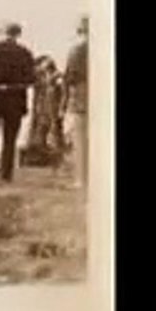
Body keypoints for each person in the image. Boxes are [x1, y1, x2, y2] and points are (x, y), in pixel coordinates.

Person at [0, 21, 35, 183]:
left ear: (2, 33)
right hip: (15, 99)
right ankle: (6, 174)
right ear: (17, 34)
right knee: (10, 139)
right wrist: (12, 86)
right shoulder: (25, 53)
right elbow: (31, 79)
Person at [65, 14, 89, 187]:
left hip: (81, 98)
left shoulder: (77, 50)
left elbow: (70, 77)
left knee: (80, 140)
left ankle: (81, 178)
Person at [26, 56, 66, 155]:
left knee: (55, 127)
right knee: (42, 127)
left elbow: (64, 93)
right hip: (44, 107)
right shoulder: (41, 78)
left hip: (54, 106)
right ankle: (41, 148)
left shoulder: (58, 77)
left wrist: (61, 108)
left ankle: (57, 149)